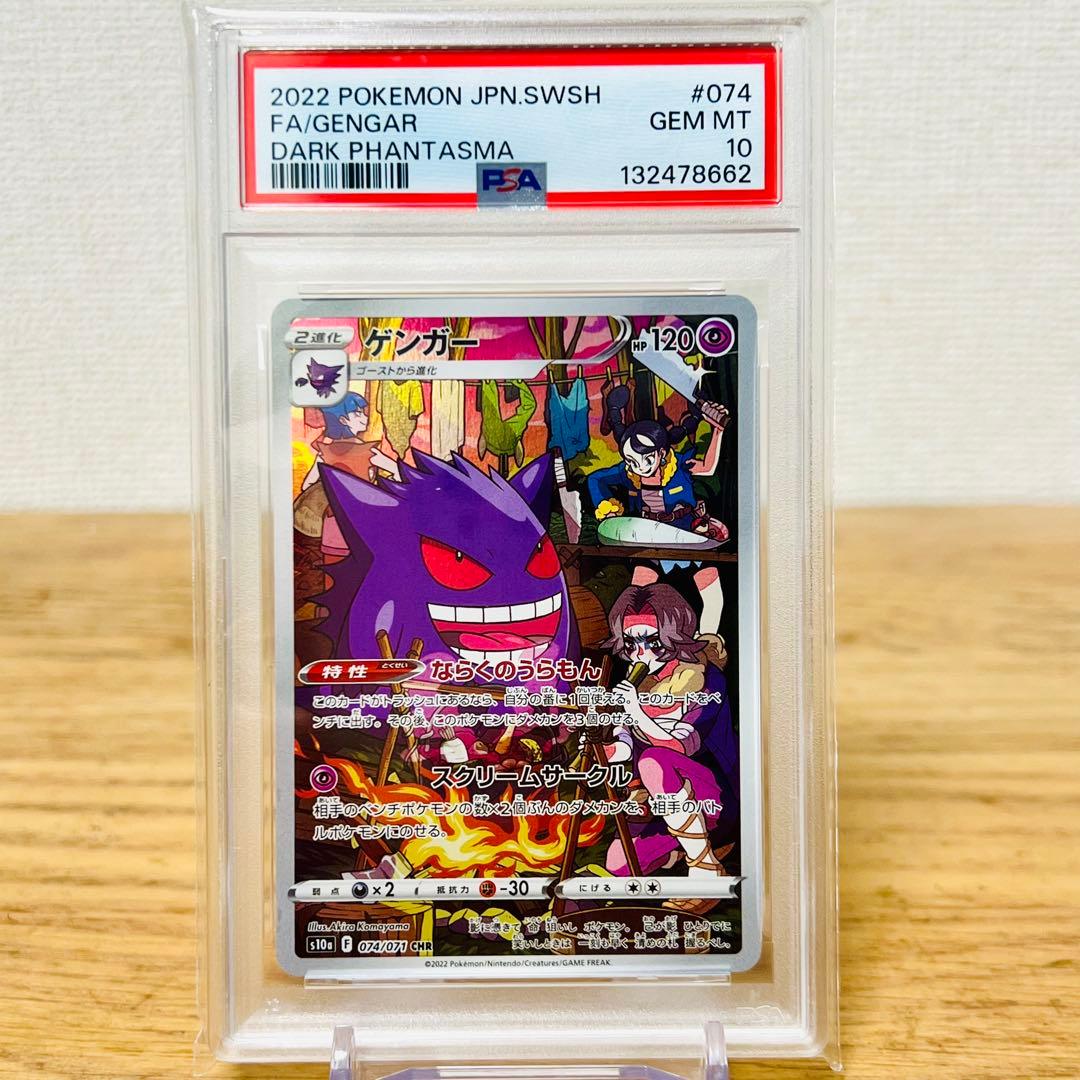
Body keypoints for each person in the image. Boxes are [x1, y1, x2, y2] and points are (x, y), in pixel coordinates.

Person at [599, 582, 738, 914]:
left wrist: (636, 712)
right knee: (620, 864)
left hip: (715, 800)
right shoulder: (640, 684)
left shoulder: (706, 679)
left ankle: (706, 870)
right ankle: (691, 847)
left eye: (652, 642)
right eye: (631, 643)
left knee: (654, 761)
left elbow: (677, 747)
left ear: (675, 635)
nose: (641, 653)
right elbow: (628, 744)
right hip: (664, 807)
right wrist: (609, 748)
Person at [586, 401, 730, 631]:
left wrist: (718, 430)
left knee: (713, 598)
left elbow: (708, 467)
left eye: (646, 459)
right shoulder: (628, 473)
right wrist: (605, 506)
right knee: (636, 599)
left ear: (661, 453)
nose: (638, 467)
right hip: (650, 541)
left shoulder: (679, 465)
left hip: (689, 537)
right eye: (631, 461)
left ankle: (708, 641)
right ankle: (637, 643)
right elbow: (595, 479)